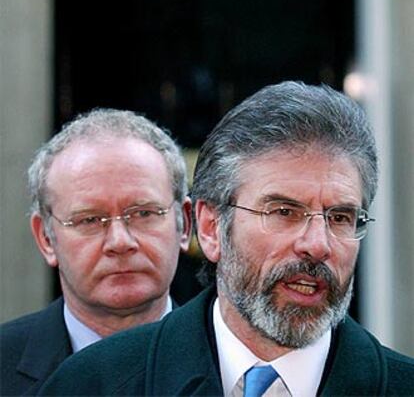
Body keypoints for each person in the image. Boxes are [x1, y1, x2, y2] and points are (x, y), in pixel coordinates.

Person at [39, 82, 414, 396]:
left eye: (340, 217)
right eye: (283, 212)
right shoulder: (92, 384)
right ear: (210, 227)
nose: (318, 244)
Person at [0, 109, 191, 395]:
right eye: (89, 220)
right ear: (46, 238)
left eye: (143, 213)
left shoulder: (236, 363)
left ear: (184, 224)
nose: (120, 241)